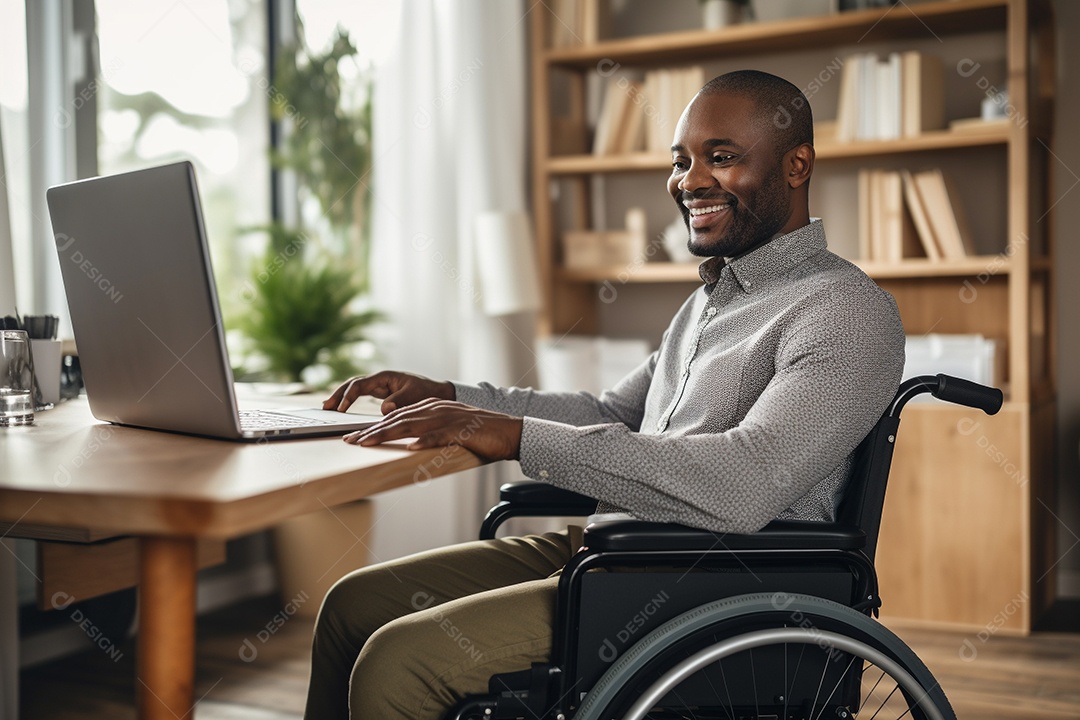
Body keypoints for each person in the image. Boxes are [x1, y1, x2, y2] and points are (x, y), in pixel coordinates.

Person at [303, 69, 905, 720]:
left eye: (721, 157)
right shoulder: (711, 302)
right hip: (614, 550)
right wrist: (452, 399)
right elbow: (610, 415)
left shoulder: (844, 311)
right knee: (349, 607)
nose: (690, 180)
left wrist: (514, 436)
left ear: (797, 165)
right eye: (681, 161)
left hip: (710, 582)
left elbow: (743, 482)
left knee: (398, 661)